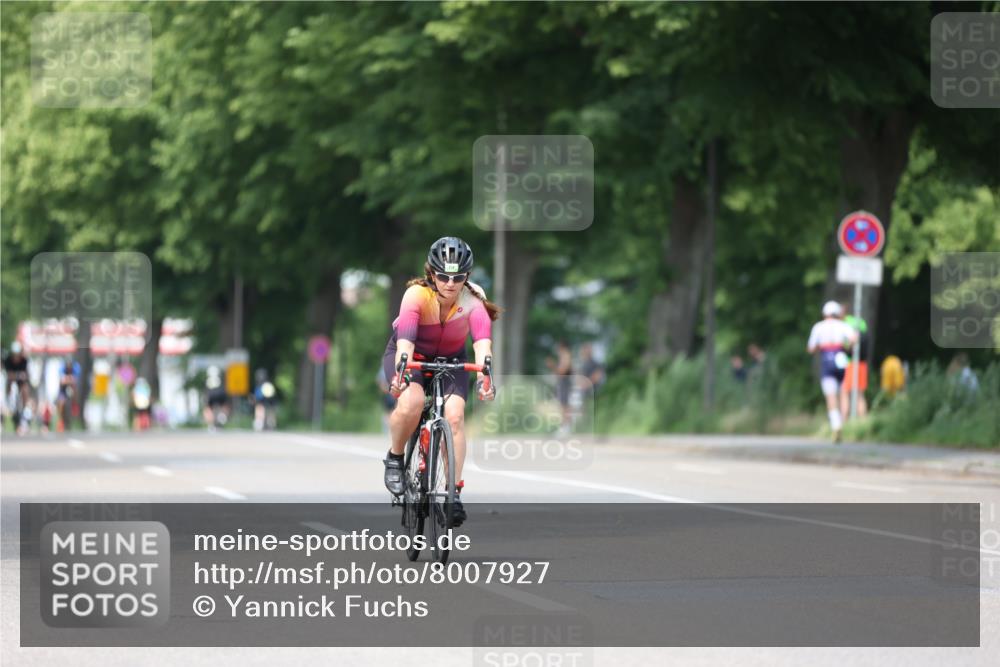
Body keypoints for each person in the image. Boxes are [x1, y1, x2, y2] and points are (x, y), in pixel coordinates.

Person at [382, 236, 499, 527]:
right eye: (443, 276)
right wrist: (402, 372)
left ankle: (453, 494)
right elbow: (406, 342)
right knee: (412, 402)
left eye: (458, 277)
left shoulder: (474, 299)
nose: (450, 283)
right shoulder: (416, 296)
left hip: (452, 360)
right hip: (411, 355)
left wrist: (486, 375)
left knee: (456, 417)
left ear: (467, 277)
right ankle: (395, 458)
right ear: (431, 274)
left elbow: (482, 343)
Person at [807, 301, 857, 443]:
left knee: (831, 396)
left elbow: (811, 348)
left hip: (827, 361)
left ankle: (836, 425)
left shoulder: (819, 327)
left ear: (825, 314)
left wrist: (821, 346)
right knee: (844, 393)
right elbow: (854, 339)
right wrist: (846, 345)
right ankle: (844, 423)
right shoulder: (843, 326)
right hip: (841, 359)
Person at [840, 307, 870, 419]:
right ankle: (862, 421)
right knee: (859, 394)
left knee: (844, 392)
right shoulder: (860, 322)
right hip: (862, 362)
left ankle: (844, 421)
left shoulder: (843, 324)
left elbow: (847, 344)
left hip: (850, 363)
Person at [546, 340, 574, 435]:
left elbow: (562, 371)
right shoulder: (565, 356)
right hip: (563, 382)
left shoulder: (566, 355)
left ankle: (566, 427)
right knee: (563, 404)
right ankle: (565, 427)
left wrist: (552, 365)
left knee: (564, 405)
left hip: (565, 382)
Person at [3, 342, 30, 433]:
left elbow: (25, 375)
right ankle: (8, 401)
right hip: (11, 381)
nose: (16, 357)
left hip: (21, 382)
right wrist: (17, 375)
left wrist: (18, 376)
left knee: (25, 388)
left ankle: (25, 407)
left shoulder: (24, 360)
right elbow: (8, 375)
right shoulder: (8, 360)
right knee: (8, 385)